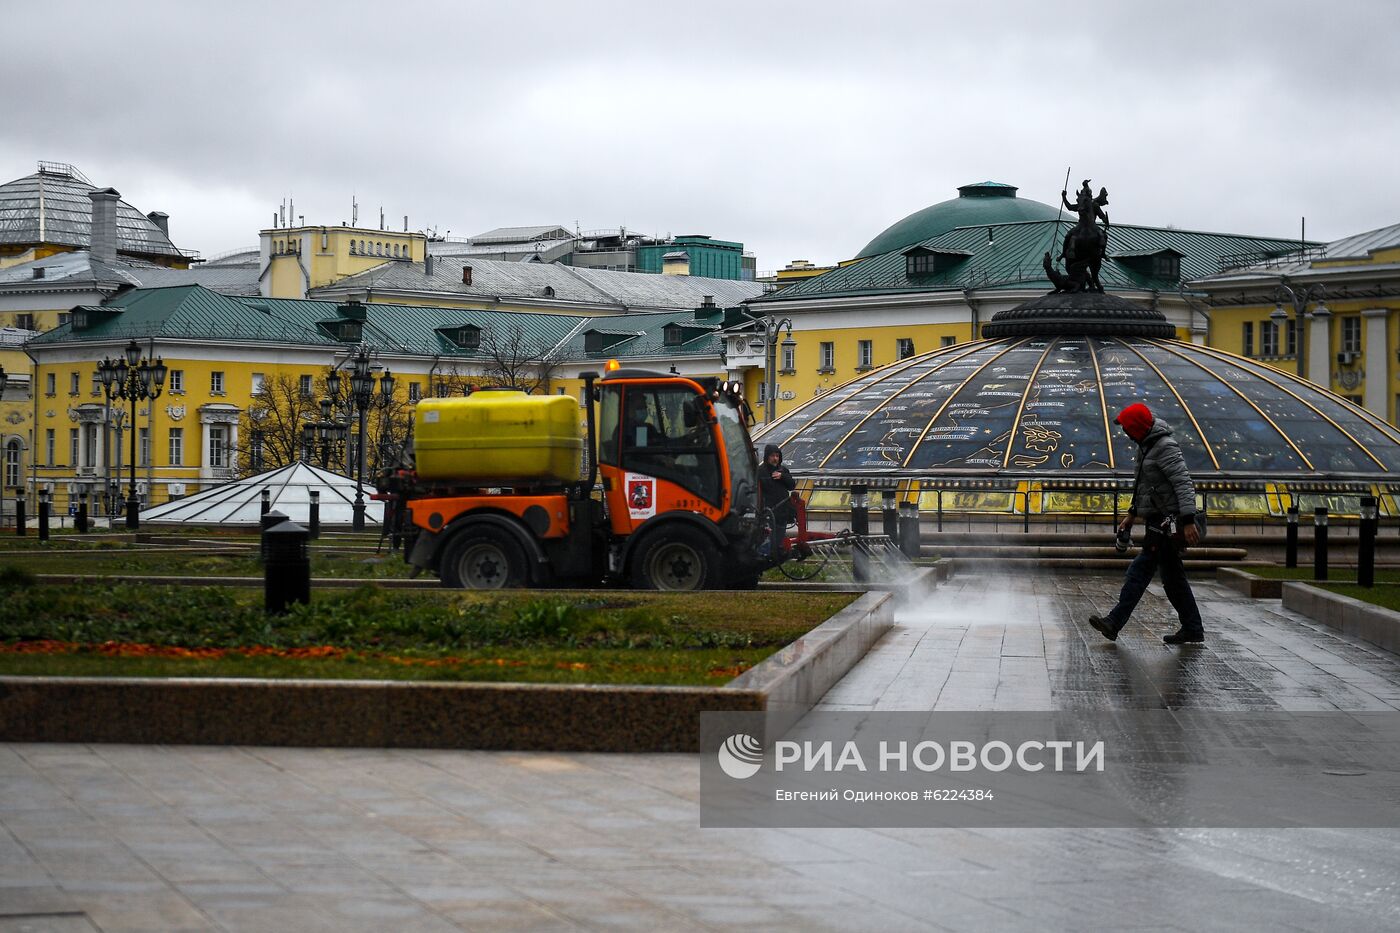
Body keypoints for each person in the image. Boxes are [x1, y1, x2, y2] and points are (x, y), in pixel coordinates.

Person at [1088, 402, 1205, 645]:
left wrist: (1188, 520)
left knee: (1139, 571)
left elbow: (1183, 483)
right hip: (1158, 520)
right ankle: (1193, 627)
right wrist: (1132, 515)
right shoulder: (1146, 446)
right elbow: (1145, 487)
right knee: (1173, 579)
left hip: (1168, 522)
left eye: (1127, 428)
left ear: (1138, 428)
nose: (1125, 434)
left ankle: (1114, 621)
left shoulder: (1165, 447)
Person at [759, 444, 797, 558]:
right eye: (772, 456)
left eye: (777, 456)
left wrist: (783, 476)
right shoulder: (761, 472)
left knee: (778, 540)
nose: (775, 458)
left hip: (782, 513)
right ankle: (766, 559)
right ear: (767, 457)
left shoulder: (783, 470)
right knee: (767, 541)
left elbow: (791, 486)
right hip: (768, 513)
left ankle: (775, 558)